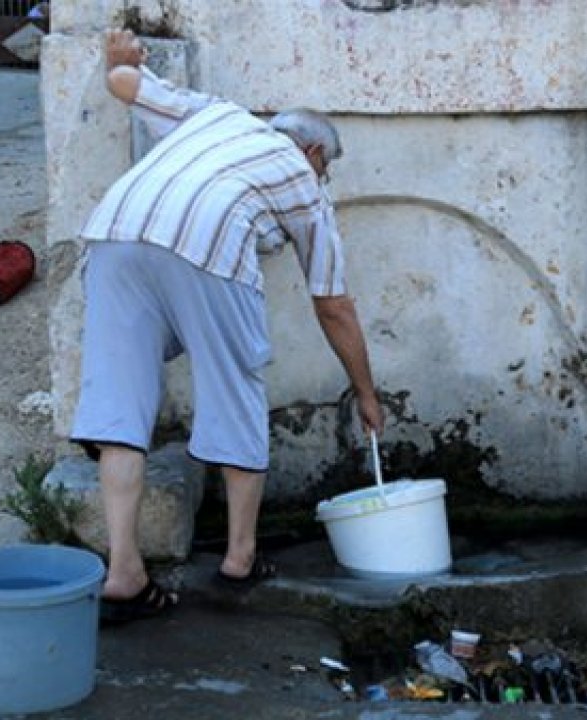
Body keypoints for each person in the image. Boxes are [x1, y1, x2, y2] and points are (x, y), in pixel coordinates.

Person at [73, 29, 385, 625]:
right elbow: (333, 305)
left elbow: (124, 85)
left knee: (118, 405)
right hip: (208, 242)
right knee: (235, 391)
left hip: (114, 231)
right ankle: (240, 558)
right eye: (327, 170)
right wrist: (366, 393)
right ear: (315, 155)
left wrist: (118, 59)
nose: (323, 181)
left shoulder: (219, 115)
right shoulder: (305, 185)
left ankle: (124, 572)